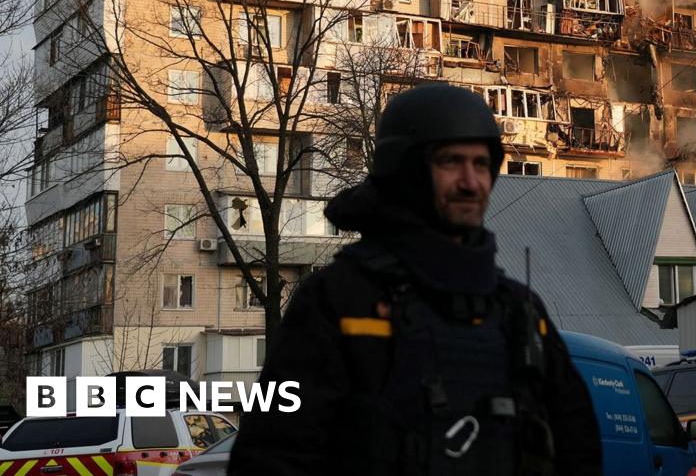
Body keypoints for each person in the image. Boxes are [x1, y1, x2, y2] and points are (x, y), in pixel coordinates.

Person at [230, 83, 602, 475]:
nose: (471, 182)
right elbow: (269, 456)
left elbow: (579, 451)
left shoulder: (519, 313)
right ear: (405, 171)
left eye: (481, 164)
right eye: (451, 162)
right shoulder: (337, 302)